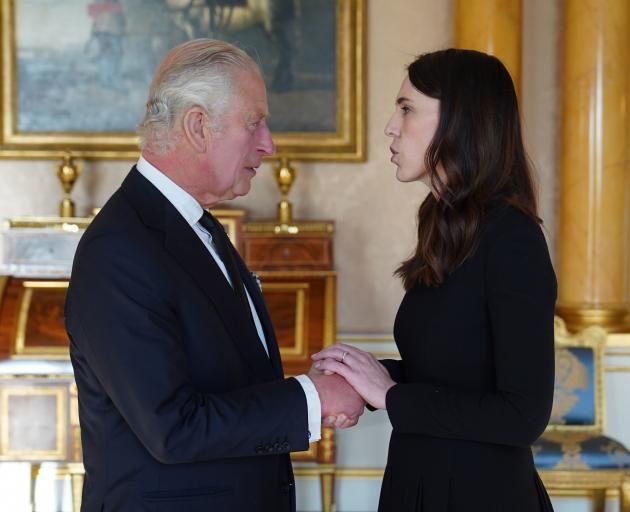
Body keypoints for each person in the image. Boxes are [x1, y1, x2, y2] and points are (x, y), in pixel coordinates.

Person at [64, 38, 364, 512]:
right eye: (255, 122)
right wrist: (311, 399)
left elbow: (229, 385)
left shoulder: (193, 224)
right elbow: (173, 427)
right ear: (198, 126)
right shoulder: (119, 248)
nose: (269, 144)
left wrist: (315, 386)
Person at [313, 48, 557, 512]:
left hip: (479, 495)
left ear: (460, 123)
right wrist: (370, 375)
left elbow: (522, 415)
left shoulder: (513, 238)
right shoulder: (444, 225)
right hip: (418, 481)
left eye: (406, 109)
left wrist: (389, 394)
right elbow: (448, 374)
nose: (390, 125)